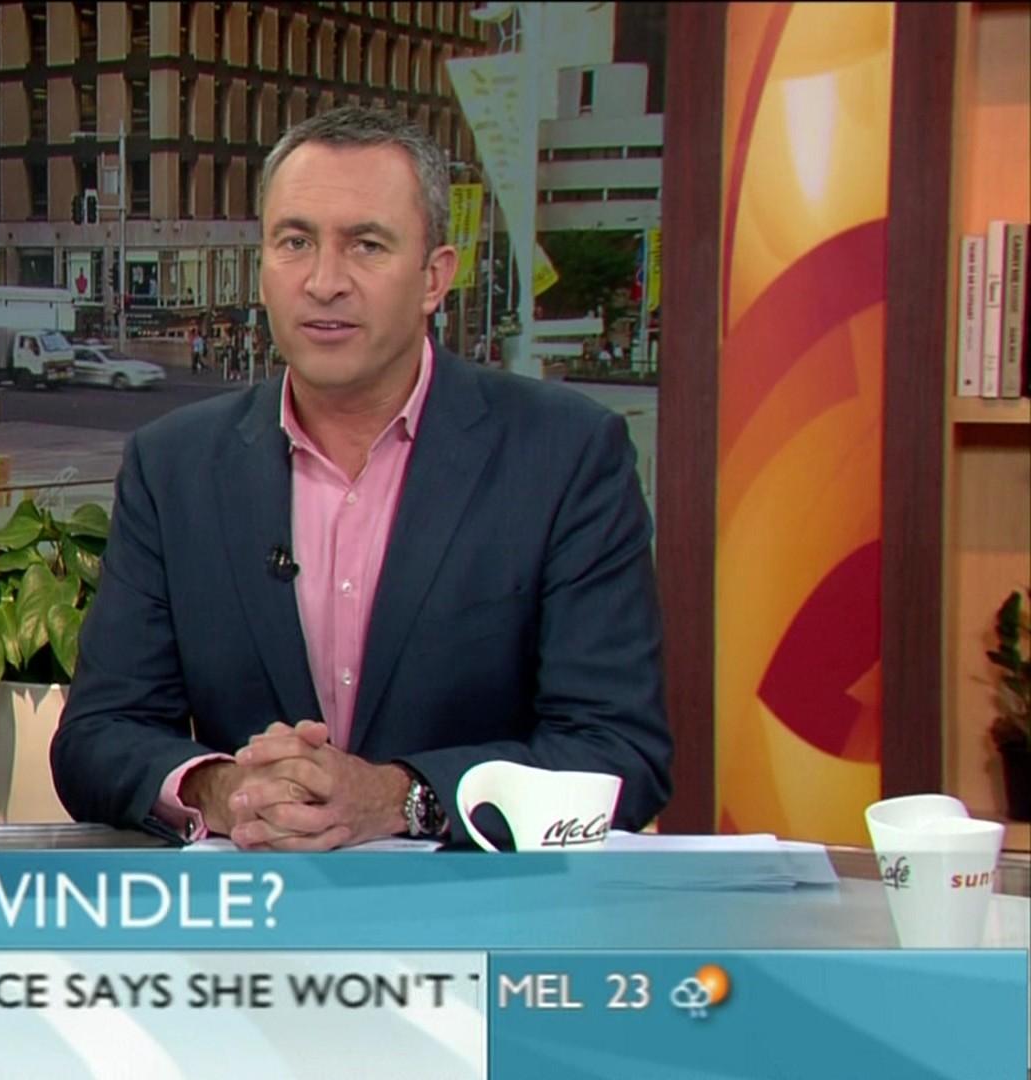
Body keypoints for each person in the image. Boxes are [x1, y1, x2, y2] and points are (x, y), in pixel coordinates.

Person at [50, 106, 671, 850]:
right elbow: (98, 736)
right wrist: (227, 790)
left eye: (366, 245)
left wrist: (401, 799)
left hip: (485, 911)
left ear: (435, 277)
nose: (324, 282)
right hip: (252, 909)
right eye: (295, 242)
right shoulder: (174, 467)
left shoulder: (565, 456)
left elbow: (618, 753)